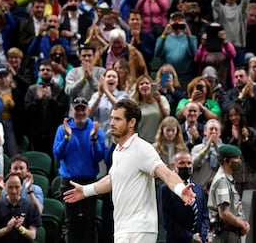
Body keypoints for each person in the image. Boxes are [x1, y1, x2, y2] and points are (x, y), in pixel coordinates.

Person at [63, 99, 196, 243]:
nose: (112, 123)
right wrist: (85, 191)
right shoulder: (117, 151)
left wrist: (181, 189)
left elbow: (166, 173)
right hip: (124, 229)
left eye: (118, 119)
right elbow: (111, 179)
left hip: (139, 229)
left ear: (131, 123)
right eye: (112, 118)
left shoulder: (142, 148)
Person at [53, 96, 105, 243]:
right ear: (72, 110)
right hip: (69, 181)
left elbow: (99, 157)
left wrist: (94, 139)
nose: (80, 112)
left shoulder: (95, 128)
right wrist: (67, 138)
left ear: (88, 110)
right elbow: (57, 154)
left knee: (90, 221)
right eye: (77, 109)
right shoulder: (62, 129)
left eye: (83, 109)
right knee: (71, 222)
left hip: (89, 181)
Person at [158, 151, 210, 243]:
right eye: (182, 163)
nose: (186, 166)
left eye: (189, 163)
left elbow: (204, 215)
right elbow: (167, 221)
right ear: (174, 166)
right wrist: (189, 237)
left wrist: (202, 235)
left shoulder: (198, 188)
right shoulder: (166, 189)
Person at [24, 60, 68, 156]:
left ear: (53, 72)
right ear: (39, 73)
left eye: (48, 70)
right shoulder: (32, 89)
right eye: (42, 69)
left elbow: (62, 110)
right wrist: (38, 100)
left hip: (53, 132)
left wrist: (51, 99)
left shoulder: (59, 89)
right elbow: (27, 111)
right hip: (36, 133)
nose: (45, 72)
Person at [207, 145, 250, 242]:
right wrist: (242, 224)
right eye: (235, 158)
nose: (239, 161)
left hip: (231, 232)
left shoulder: (227, 179)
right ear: (226, 160)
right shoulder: (222, 181)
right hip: (225, 234)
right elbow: (224, 214)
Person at [0, 172, 42, 243]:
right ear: (5, 186)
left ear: (21, 187)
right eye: (10, 187)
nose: (14, 191)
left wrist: (20, 229)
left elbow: (32, 235)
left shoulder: (31, 207)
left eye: (17, 187)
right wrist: (7, 229)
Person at [212, 0, 250, 67]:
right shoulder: (221, 9)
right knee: (225, 75)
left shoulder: (241, 10)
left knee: (238, 73)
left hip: (239, 47)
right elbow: (214, 2)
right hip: (224, 46)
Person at [154, 12, 198, 87]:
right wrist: (164, 35)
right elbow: (157, 53)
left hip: (185, 75)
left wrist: (188, 35)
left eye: (180, 20)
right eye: (174, 20)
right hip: (166, 74)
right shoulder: (163, 37)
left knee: (183, 96)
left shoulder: (192, 38)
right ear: (169, 22)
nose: (177, 22)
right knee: (163, 93)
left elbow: (194, 54)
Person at [221, 103, 256, 195]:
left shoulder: (251, 132)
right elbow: (225, 152)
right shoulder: (225, 132)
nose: (233, 118)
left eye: (236, 115)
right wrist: (234, 139)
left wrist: (246, 139)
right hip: (233, 173)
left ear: (241, 115)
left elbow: (253, 153)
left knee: (249, 204)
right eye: (231, 116)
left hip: (249, 173)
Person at [89, 69, 129, 147]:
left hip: (116, 140)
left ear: (117, 82)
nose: (111, 78)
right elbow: (89, 114)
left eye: (114, 77)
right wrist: (99, 97)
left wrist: (105, 91)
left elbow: (120, 107)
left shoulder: (123, 95)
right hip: (99, 138)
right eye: (109, 76)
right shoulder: (96, 95)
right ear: (104, 80)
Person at [65, 44, 105, 114]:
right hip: (76, 113)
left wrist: (90, 77)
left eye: (89, 55)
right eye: (84, 56)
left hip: (96, 112)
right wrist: (83, 79)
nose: (86, 58)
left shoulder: (101, 71)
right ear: (79, 57)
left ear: (94, 56)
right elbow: (69, 91)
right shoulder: (73, 72)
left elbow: (103, 91)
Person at [132, 75, 170, 143]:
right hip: (141, 141)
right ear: (138, 88)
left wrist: (159, 102)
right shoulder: (134, 104)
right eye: (141, 84)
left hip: (158, 141)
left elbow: (166, 117)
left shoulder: (162, 99)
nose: (144, 85)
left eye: (147, 83)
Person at [191, 119, 223, 186]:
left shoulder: (224, 149)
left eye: (216, 129)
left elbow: (225, 164)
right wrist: (205, 150)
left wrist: (216, 147)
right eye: (211, 129)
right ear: (205, 131)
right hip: (200, 185)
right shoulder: (197, 148)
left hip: (217, 187)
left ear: (220, 133)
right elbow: (192, 165)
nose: (213, 132)